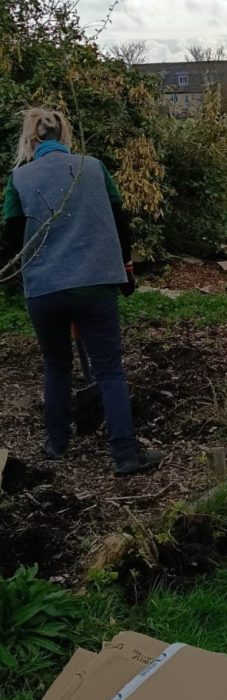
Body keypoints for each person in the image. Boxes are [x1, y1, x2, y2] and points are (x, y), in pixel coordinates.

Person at [1, 107, 162, 476]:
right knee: (109, 370)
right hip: (95, 284)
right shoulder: (94, 168)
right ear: (63, 135)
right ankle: (125, 455)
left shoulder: (19, 179)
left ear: (32, 138)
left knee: (56, 366)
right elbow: (121, 222)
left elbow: (12, 239)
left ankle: (56, 445)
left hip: (44, 289)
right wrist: (126, 267)